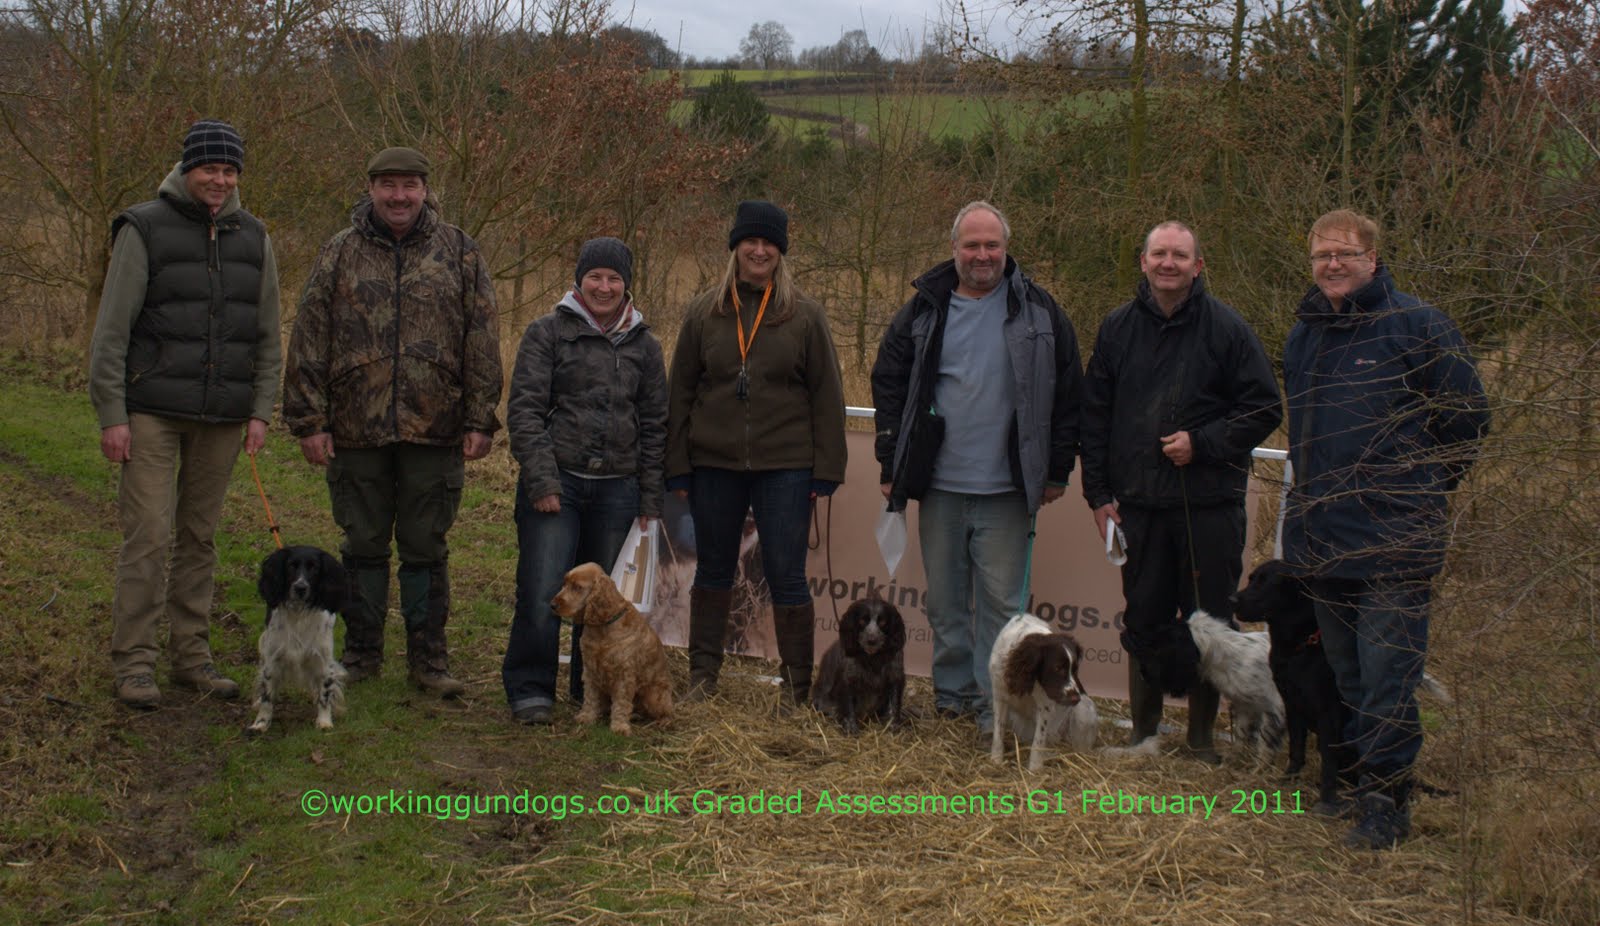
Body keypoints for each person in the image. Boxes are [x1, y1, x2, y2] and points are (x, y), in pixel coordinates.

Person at [1283, 209, 1488, 848]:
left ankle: (1386, 806)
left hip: (1395, 542)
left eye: (1344, 253)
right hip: (1322, 539)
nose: (1332, 265)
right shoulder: (1303, 336)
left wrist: (1419, 492)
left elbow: (1468, 423)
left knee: (1387, 678)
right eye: (1322, 256)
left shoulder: (1419, 326)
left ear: (1373, 258)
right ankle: (1358, 783)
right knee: (1345, 676)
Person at [283, 147, 502, 698]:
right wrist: (310, 419)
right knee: (361, 545)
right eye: (388, 185)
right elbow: (310, 335)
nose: (399, 196)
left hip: (437, 426)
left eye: (409, 185)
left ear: (426, 189)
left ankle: (429, 659)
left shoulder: (460, 251)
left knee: (427, 545)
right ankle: (360, 653)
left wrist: (480, 416)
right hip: (357, 429)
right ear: (371, 188)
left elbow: (481, 337)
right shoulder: (340, 252)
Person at [870, 200, 1084, 737]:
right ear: (954, 249)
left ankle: (997, 711)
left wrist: (1057, 469)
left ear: (1006, 249)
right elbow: (889, 382)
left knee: (1003, 611)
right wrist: (891, 458)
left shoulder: (1039, 310)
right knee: (944, 605)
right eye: (972, 245)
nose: (982, 255)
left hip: (1008, 490)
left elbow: (1069, 392)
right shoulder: (923, 308)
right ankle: (953, 700)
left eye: (992, 245)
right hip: (938, 486)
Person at [89, 119, 282, 709]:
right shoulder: (143, 227)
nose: (219, 180)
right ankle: (135, 664)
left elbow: (269, 336)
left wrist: (260, 410)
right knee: (148, 536)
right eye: (209, 169)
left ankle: (191, 658)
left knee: (199, 537)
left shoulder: (255, 236)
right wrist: (111, 413)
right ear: (186, 169)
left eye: (229, 171)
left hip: (223, 416)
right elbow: (111, 331)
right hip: (151, 412)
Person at [1079, 220, 1283, 762]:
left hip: (1209, 506)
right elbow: (1094, 415)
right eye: (1159, 254)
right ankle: (1143, 734)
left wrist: (1205, 442)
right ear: (1143, 262)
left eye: (1180, 255)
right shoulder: (1117, 328)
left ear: (1198, 265)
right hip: (1137, 506)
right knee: (1142, 619)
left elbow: (1265, 408)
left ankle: (1199, 740)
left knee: (1210, 622)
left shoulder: (1228, 330)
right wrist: (1097, 494)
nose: (1169, 263)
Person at [666, 200, 847, 705]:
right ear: (736, 247)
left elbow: (827, 396)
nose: (760, 250)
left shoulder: (805, 315)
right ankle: (702, 677)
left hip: (786, 467)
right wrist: (676, 463)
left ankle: (795, 688)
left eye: (769, 243)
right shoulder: (703, 312)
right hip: (713, 465)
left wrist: (826, 469)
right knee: (714, 570)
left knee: (786, 573)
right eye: (751, 241)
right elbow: (679, 391)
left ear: (781, 252)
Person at [503, 237, 667, 725]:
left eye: (614, 278)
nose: (604, 286)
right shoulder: (547, 332)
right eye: (595, 276)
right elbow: (525, 410)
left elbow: (656, 423)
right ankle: (531, 689)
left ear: (626, 286)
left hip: (619, 489)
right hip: (559, 483)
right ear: (579, 280)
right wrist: (542, 479)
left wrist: (649, 497)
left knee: (601, 602)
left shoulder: (645, 345)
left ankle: (587, 691)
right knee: (542, 589)